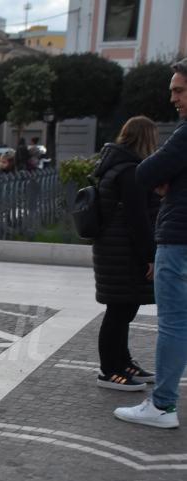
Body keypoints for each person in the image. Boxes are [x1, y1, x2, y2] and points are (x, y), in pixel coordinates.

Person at [115, 58, 187, 429]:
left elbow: (145, 172)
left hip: (179, 241)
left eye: (179, 90)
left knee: (174, 324)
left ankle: (162, 405)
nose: (173, 97)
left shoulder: (185, 134)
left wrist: (169, 182)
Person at [91, 116, 160, 392]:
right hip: (123, 252)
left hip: (114, 249)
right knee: (119, 311)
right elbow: (137, 218)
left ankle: (123, 362)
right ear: (145, 139)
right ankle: (110, 371)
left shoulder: (116, 166)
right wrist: (149, 256)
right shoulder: (130, 170)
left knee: (122, 309)